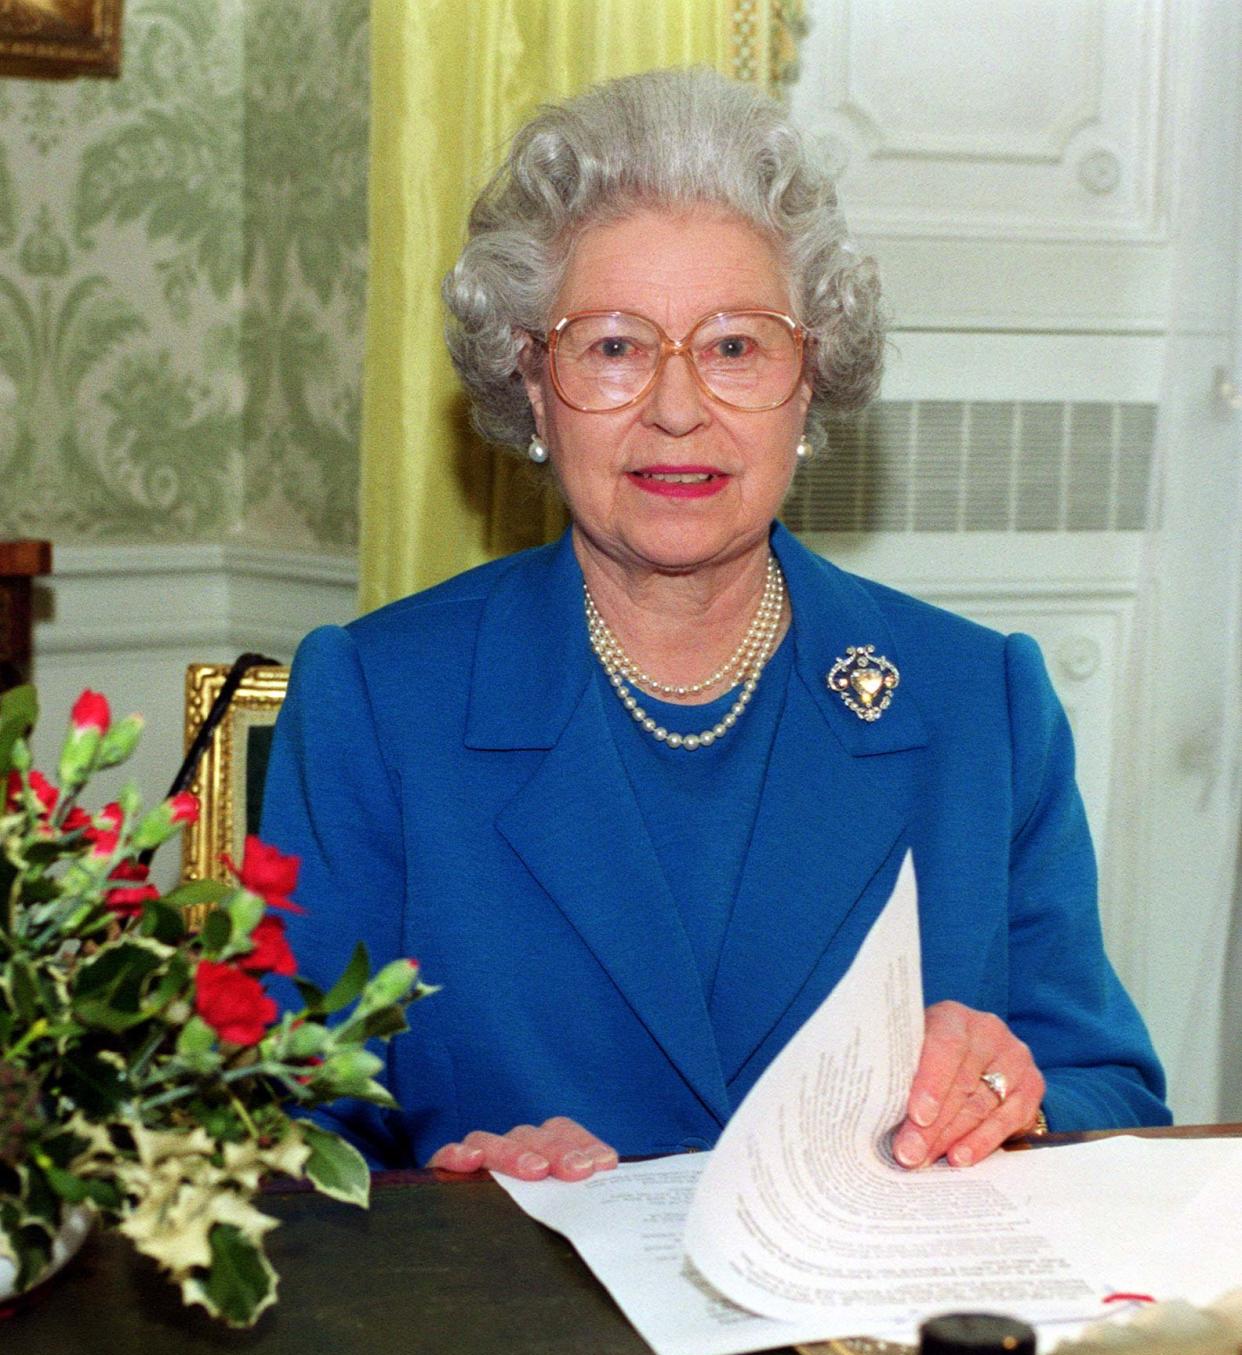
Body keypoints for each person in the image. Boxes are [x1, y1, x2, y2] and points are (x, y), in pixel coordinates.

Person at [260, 67, 1169, 1181]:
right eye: (613, 347)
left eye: (736, 345)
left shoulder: (981, 705)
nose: (678, 408)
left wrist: (1008, 1103)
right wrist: (450, 1193)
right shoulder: (378, 701)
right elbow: (277, 1134)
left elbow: (1113, 1094)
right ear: (531, 385)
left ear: (811, 380)